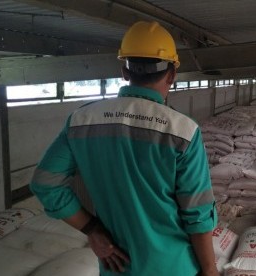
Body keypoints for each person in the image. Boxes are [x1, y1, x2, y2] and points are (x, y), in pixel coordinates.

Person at [30, 21, 219, 275]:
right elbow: (197, 215)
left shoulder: (81, 121)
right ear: (172, 74)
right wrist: (210, 271)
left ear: (125, 71)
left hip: (117, 265)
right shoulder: (183, 132)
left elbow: (45, 182)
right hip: (173, 267)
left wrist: (92, 230)